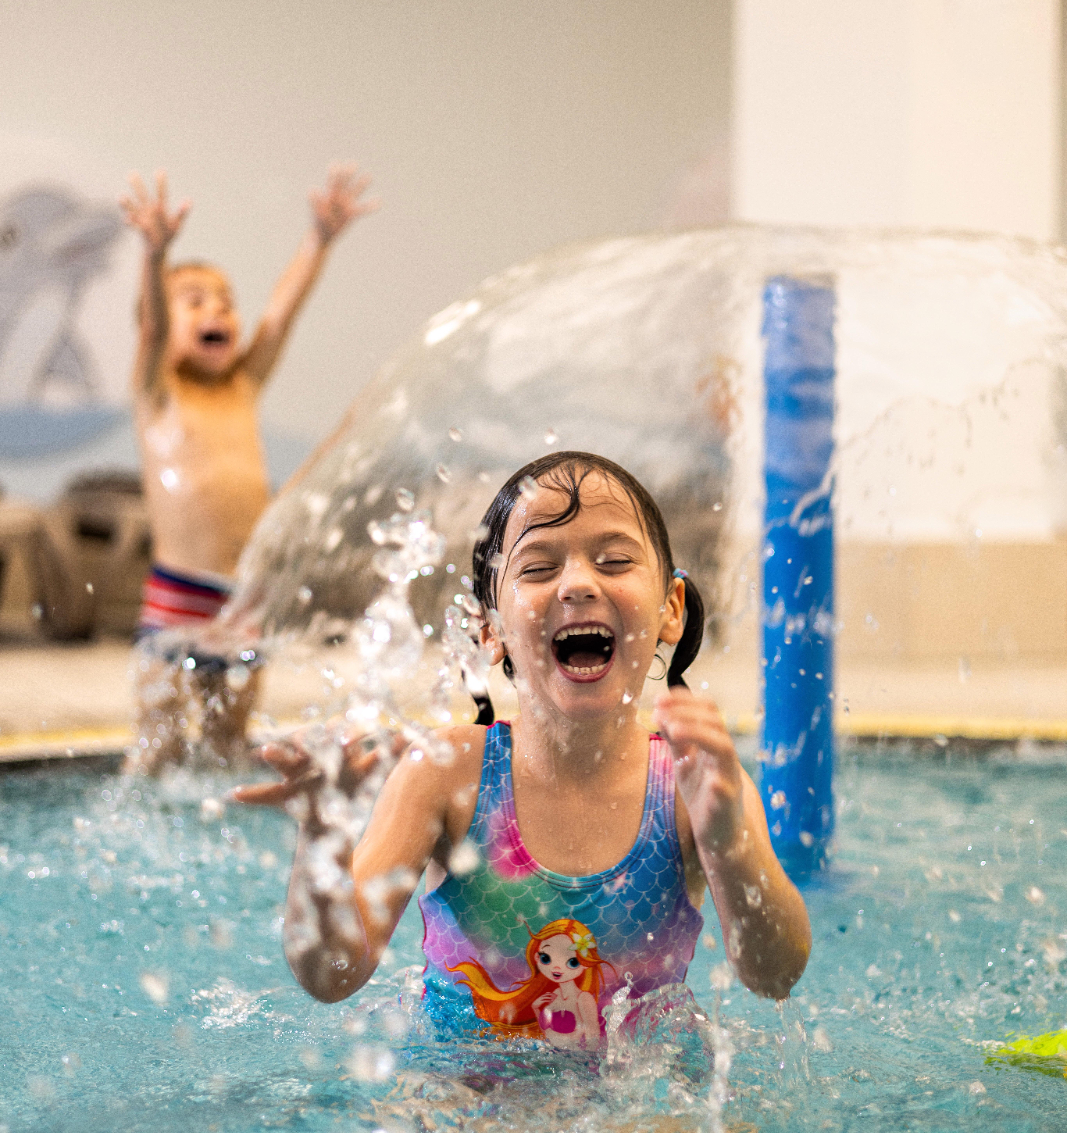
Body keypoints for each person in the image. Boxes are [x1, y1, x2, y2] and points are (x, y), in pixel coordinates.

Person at [235, 451, 811, 1036]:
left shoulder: (695, 789)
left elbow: (775, 975)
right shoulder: (445, 775)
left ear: (671, 609)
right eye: (538, 569)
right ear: (489, 630)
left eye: (614, 561)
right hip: (462, 1092)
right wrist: (321, 839)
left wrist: (730, 838)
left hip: (636, 1106)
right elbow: (332, 975)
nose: (579, 584)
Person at [120, 165, 376, 772]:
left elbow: (279, 317)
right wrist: (156, 254)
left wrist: (318, 240)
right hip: (179, 595)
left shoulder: (240, 387)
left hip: (244, 597)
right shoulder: (157, 392)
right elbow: (154, 329)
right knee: (155, 748)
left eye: (226, 302)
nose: (218, 310)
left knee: (230, 745)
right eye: (196, 301)